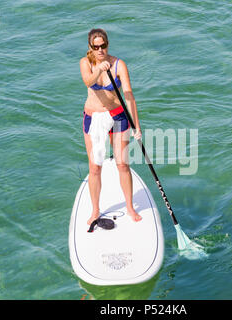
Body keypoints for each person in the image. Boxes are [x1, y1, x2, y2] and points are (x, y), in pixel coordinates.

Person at [79, 28, 142, 225]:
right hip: (94, 118)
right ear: (90, 47)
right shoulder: (86, 63)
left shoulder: (118, 65)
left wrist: (136, 126)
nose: (100, 50)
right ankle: (96, 210)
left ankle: (130, 207)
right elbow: (88, 81)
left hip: (117, 117)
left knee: (122, 164)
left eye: (103, 46)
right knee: (94, 167)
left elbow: (129, 95)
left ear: (107, 44)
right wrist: (98, 69)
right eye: (96, 47)